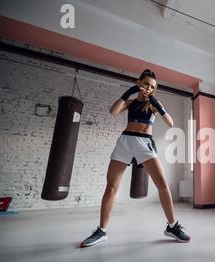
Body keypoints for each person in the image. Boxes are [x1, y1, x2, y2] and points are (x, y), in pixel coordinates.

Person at [80, 69, 191, 247]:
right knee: (111, 187)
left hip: (144, 143)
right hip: (125, 142)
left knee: (162, 184)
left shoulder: (153, 104)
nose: (148, 88)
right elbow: (113, 111)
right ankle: (102, 231)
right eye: (146, 83)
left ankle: (172, 226)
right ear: (139, 82)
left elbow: (170, 122)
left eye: (152, 86)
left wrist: (157, 103)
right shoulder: (130, 102)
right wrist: (128, 92)